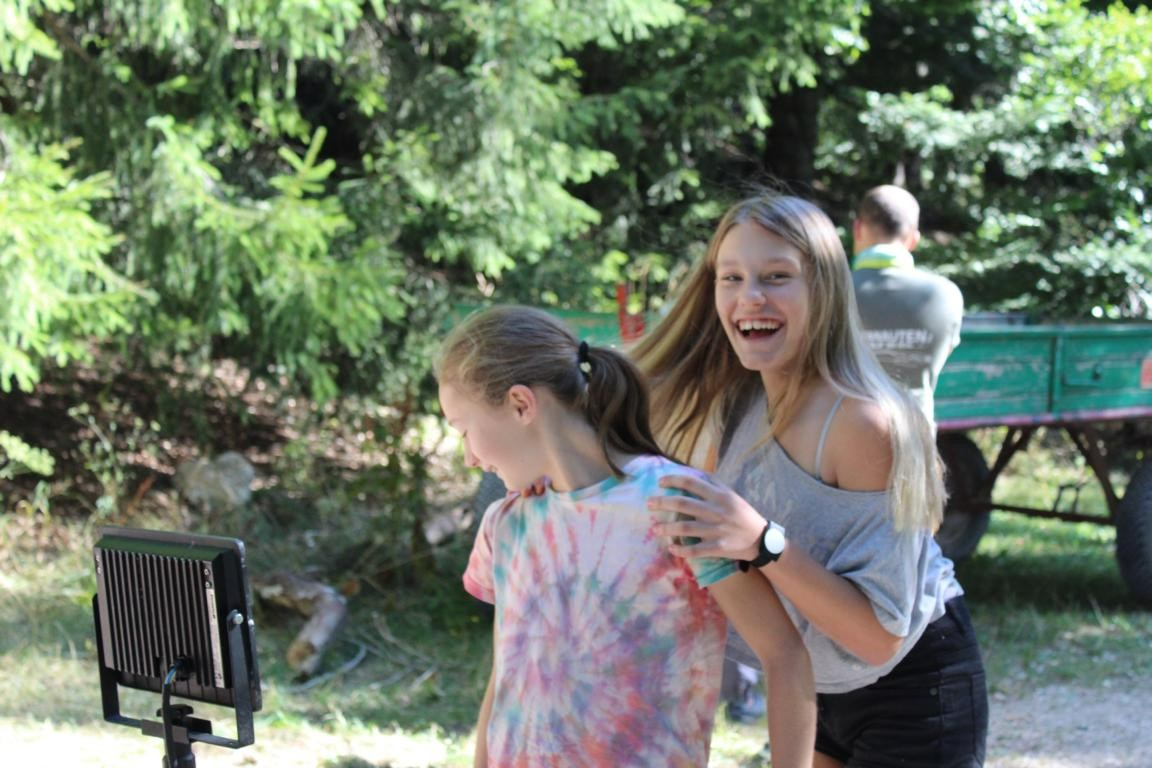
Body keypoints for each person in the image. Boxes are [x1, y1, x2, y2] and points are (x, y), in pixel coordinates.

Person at [635, 193, 988, 767]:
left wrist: (762, 541)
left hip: (914, 686)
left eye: (777, 276)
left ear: (822, 290)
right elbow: (605, 436)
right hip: (818, 682)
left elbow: (878, 636)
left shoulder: (861, 422)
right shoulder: (729, 399)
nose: (751, 296)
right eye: (732, 277)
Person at [434, 305, 815, 768]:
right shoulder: (507, 524)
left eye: (464, 430)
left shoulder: (678, 506)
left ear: (520, 404)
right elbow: (507, 677)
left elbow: (785, 655)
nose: (469, 458)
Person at [851, 184, 964, 424]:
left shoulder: (828, 292)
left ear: (857, 229)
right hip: (916, 437)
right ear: (914, 239)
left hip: (842, 437)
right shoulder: (946, 295)